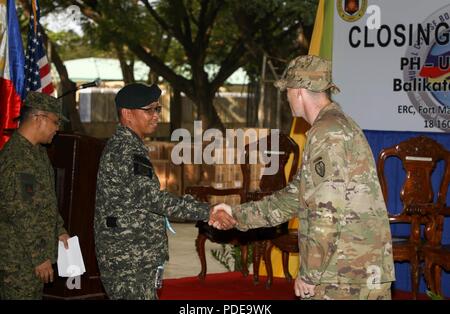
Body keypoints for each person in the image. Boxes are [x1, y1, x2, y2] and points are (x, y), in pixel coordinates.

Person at [210, 55, 395, 300]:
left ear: (297, 91)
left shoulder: (328, 133)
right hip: (350, 269)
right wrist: (236, 214)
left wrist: (310, 272)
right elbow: (294, 197)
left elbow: (326, 210)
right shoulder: (333, 126)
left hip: (345, 274)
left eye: (287, 91)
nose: (286, 97)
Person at [94, 82, 235, 300]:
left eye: (157, 109)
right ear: (127, 114)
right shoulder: (126, 150)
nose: (156, 115)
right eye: (149, 110)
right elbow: (152, 199)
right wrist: (207, 210)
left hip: (134, 253)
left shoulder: (130, 146)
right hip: (129, 258)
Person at [0, 92, 70, 300]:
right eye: (55, 122)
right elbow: (23, 213)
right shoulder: (17, 157)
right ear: (38, 118)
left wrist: (60, 230)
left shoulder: (36, 152)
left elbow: (45, 201)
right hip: (19, 260)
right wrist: (40, 257)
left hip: (28, 257)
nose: (57, 128)